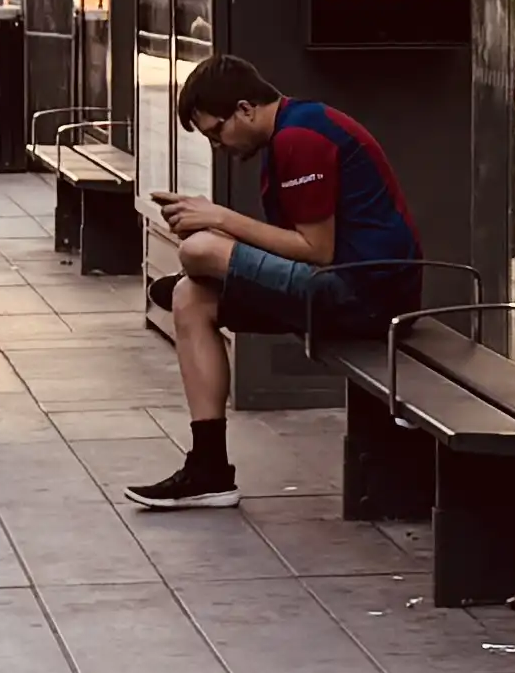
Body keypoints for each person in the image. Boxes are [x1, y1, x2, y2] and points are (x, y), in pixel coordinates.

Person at [133, 51, 426, 509]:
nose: (218, 145)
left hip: (365, 295)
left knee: (199, 250)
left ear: (246, 109)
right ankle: (209, 469)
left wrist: (220, 220)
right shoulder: (289, 131)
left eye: (217, 132)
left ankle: (197, 272)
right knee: (192, 298)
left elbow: (316, 252)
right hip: (342, 285)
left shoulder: (301, 140)